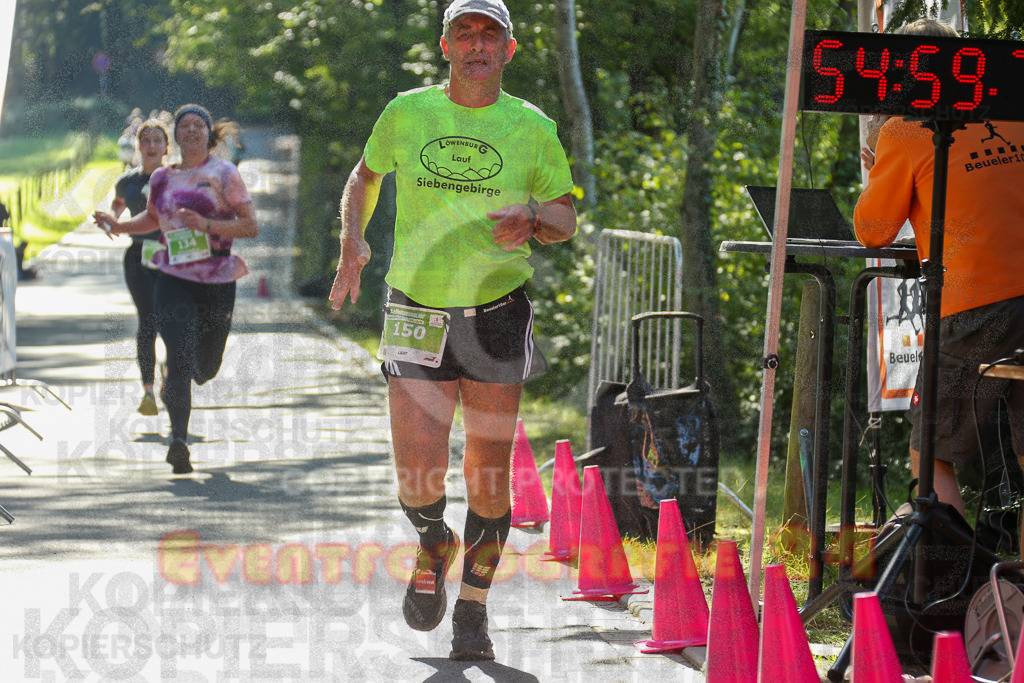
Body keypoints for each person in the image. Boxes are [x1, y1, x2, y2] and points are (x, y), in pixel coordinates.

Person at [329, 0, 576, 661]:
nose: (476, 44)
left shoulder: (532, 127)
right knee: (417, 474)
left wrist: (533, 216)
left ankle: (472, 610)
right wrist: (352, 239)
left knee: (490, 477)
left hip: (496, 312)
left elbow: (564, 216)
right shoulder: (407, 112)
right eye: (463, 33)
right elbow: (365, 174)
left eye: (488, 34)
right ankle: (433, 536)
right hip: (416, 308)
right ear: (445, 45)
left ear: (508, 51)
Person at [854, 18, 1024, 551]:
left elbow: (874, 231)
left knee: (932, 451)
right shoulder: (1016, 118)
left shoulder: (906, 131)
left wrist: (881, 160)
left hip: (974, 306)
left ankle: (949, 581)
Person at [93, 104, 258, 475]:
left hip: (216, 279)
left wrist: (205, 224)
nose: (191, 131)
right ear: (178, 136)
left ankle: (186, 383)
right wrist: (118, 227)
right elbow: (152, 218)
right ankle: (179, 441)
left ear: (208, 133)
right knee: (180, 359)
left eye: (198, 125)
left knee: (206, 367)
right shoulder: (164, 178)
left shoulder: (224, 173)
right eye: (185, 126)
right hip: (173, 278)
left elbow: (249, 226)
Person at [108, 119, 170, 416]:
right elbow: (118, 202)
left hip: (172, 256)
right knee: (148, 321)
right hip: (138, 257)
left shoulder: (176, 178)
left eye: (158, 141)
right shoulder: (127, 181)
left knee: (171, 320)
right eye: (146, 141)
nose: (151, 146)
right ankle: (148, 390)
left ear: (166, 147)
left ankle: (171, 379)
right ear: (138, 146)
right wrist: (113, 219)